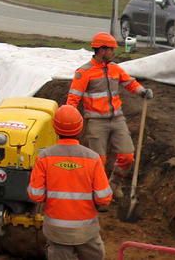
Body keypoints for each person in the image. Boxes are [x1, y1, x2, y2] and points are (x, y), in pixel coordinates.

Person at [65, 31, 152, 195]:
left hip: (117, 119)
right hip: (96, 122)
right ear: (102, 50)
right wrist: (69, 121)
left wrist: (142, 91)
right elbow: (73, 99)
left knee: (127, 156)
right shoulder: (84, 73)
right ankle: (98, 192)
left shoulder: (115, 69)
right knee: (99, 161)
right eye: (111, 49)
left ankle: (114, 185)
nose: (114, 52)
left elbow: (129, 82)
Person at [28, 104, 112, 260]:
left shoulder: (45, 157)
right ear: (80, 128)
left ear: (55, 128)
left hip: (56, 232)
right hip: (87, 232)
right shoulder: (93, 158)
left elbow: (35, 195)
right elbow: (104, 198)